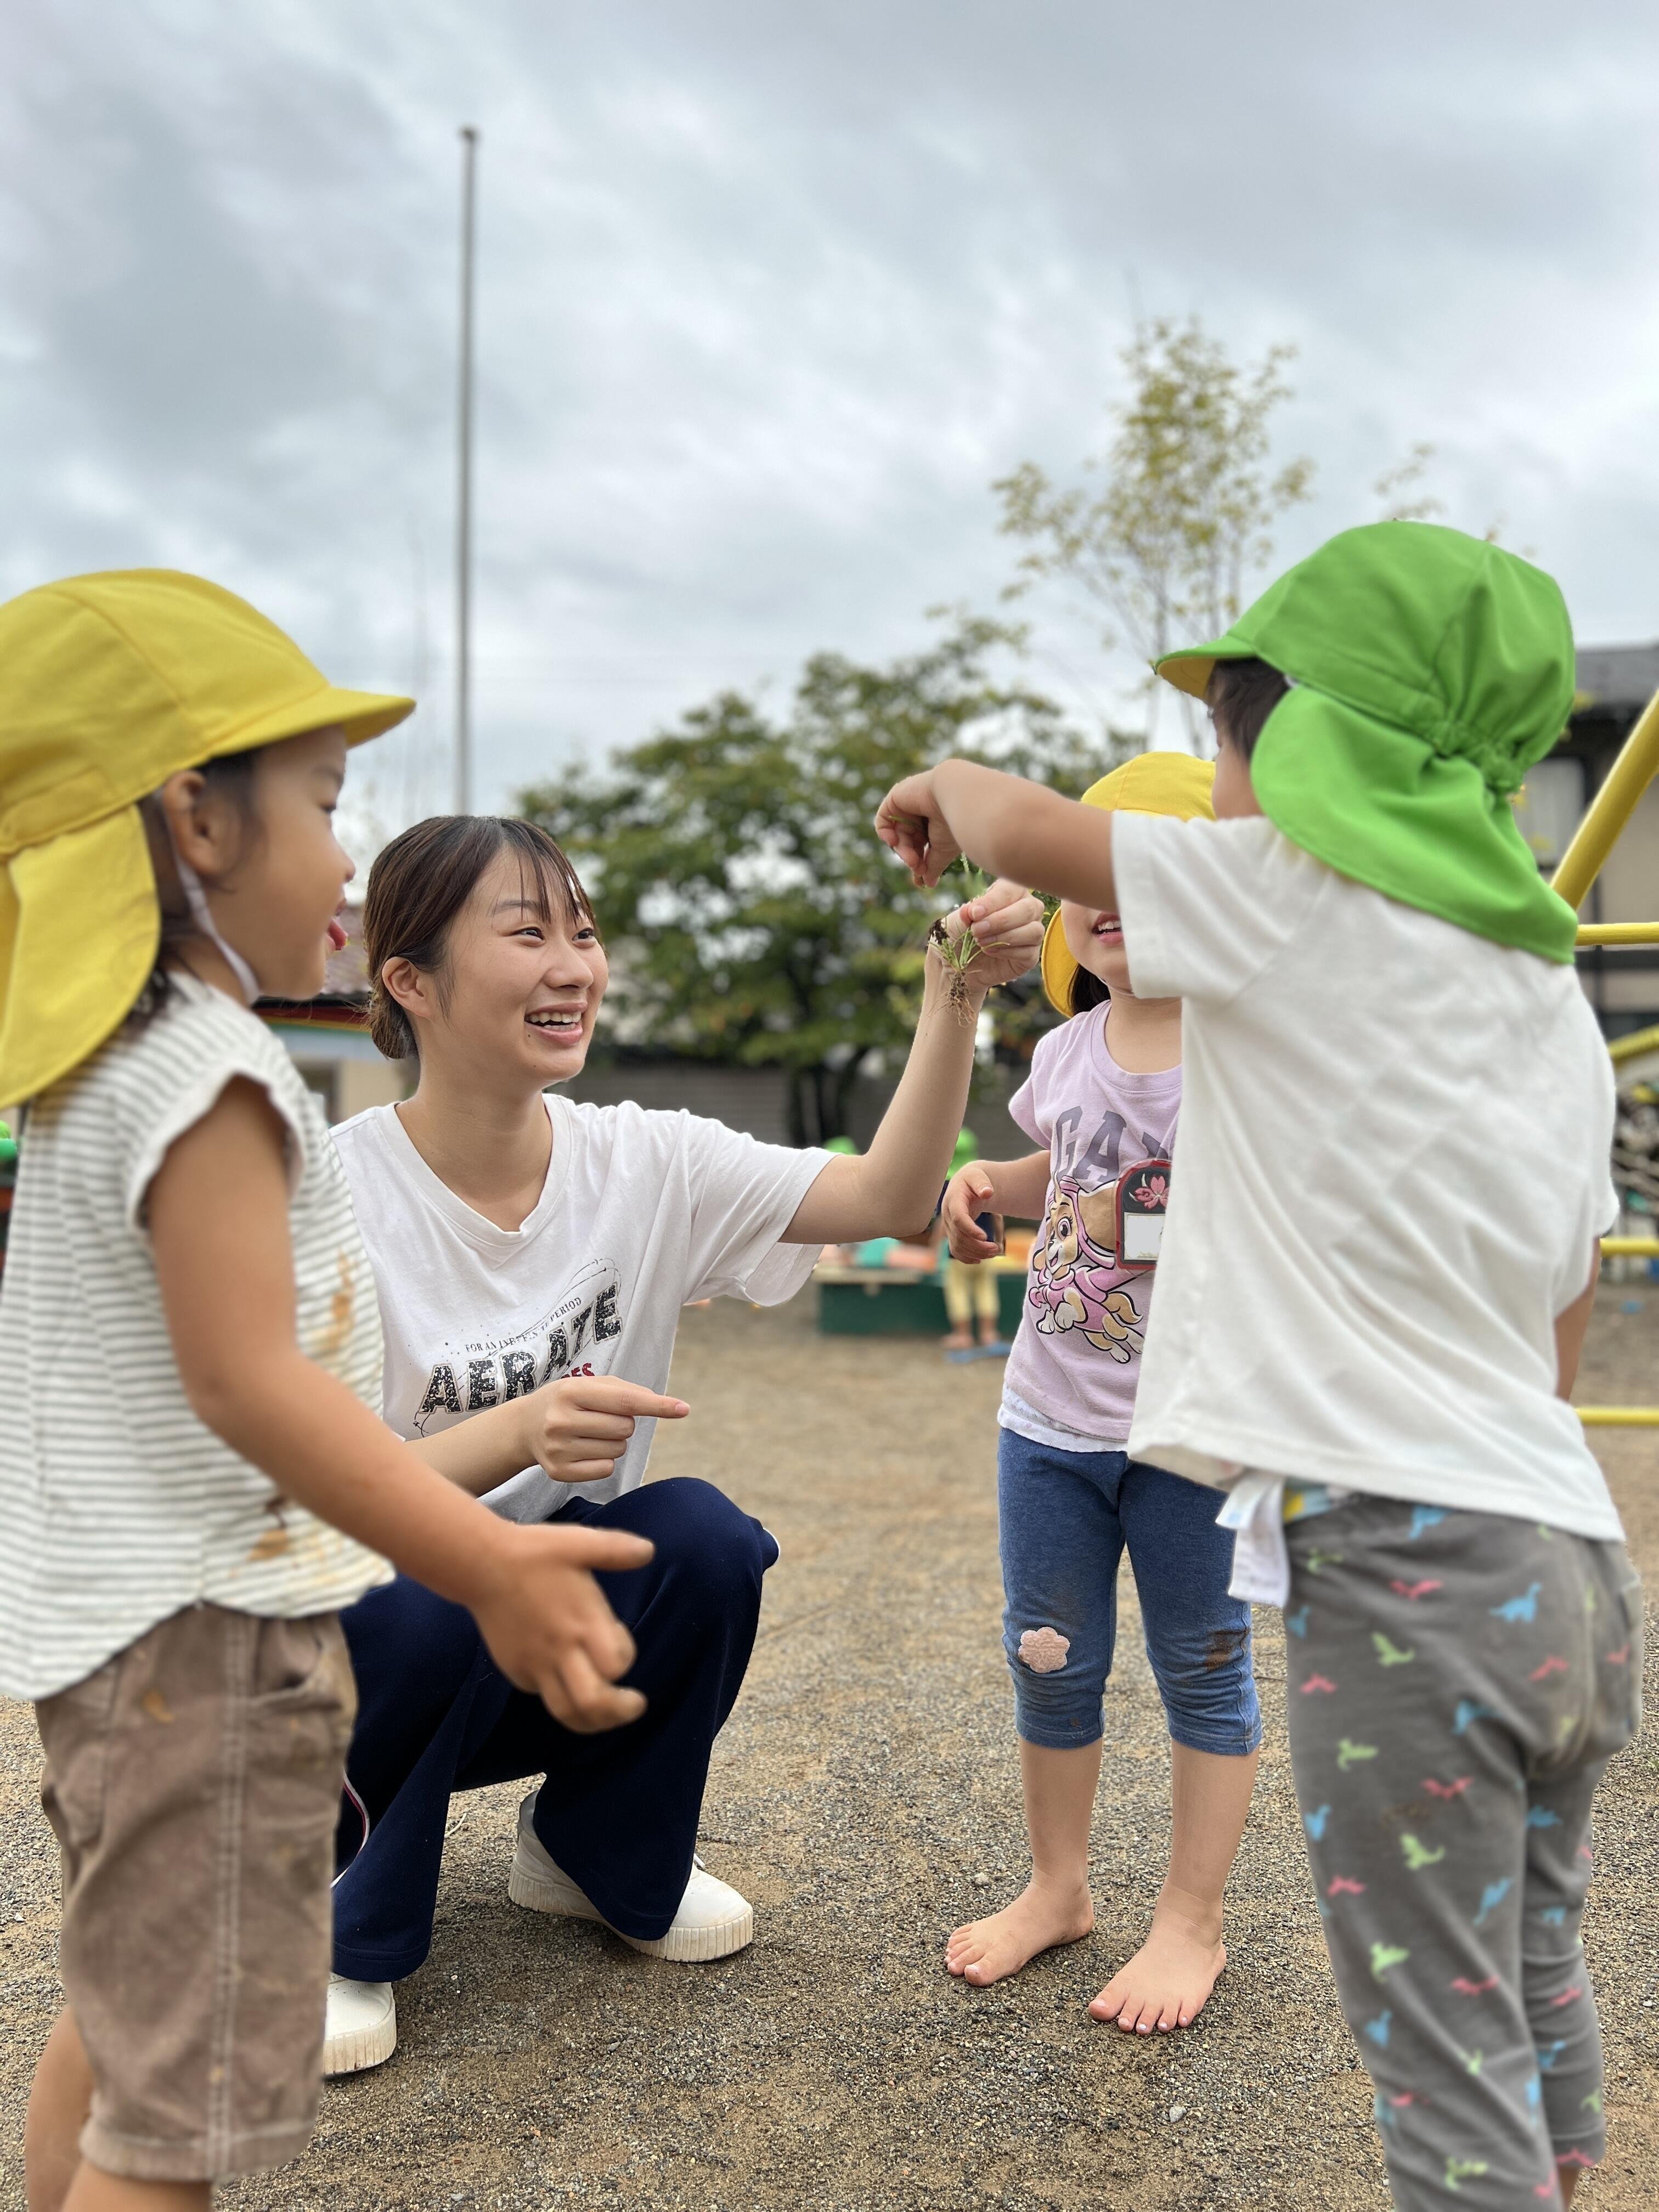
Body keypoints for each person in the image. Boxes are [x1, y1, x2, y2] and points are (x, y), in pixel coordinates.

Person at [874, 522, 1641, 2210]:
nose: (1219, 785)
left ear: (1299, 743)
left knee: (1436, 2066)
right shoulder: (1541, 995)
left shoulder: (1292, 900)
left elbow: (1025, 824)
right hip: (1572, 1562)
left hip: (1414, 1574)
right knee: (1526, 1964)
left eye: (1224, 737)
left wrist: (942, 779)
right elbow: (1562, 1307)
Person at [0, 574, 655, 2212]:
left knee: (121, 2012)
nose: (351, 860)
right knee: (184, 2132)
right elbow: (248, 1378)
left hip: (113, 1653)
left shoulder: (87, 1067)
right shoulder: (211, 1077)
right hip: (209, 1657)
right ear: (197, 824)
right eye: (325, 803)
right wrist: (488, 1554)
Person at [321, 812, 1045, 2072]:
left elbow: (883, 1198)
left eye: (585, 933)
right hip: (358, 1652)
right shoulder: (325, 1194)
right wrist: (515, 1432)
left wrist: (955, 997)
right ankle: (340, 1923)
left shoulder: (647, 1160)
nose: (574, 966)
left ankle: (597, 1849)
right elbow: (309, 1503)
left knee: (704, 1540)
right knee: (425, 1588)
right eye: (527, 932)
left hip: (555, 1643)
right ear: (410, 981)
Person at [939, 754, 1261, 2035]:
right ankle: (1059, 1888)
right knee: (1049, 1658)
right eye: (1085, 875)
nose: (1102, 894)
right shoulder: (1068, 1048)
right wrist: (983, 1188)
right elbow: (1057, 1166)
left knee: (1207, 1671)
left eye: (1138, 865)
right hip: (1049, 1426)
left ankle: (1194, 1920)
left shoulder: (1249, 1049)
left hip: (1197, 1434)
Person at [939, 1128, 1006, 1359]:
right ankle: (988, 1334)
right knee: (986, 1289)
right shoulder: (984, 1179)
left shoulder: (948, 1183)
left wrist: (933, 1245)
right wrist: (1001, 1243)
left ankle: (963, 1335)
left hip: (959, 1249)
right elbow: (997, 1214)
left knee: (958, 1290)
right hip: (988, 1247)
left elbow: (944, 1220)